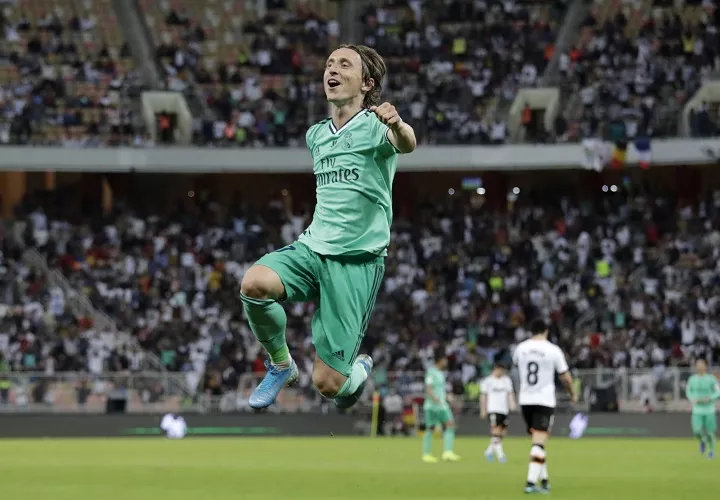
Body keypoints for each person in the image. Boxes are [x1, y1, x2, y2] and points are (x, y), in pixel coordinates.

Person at [240, 44, 416, 410]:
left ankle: (359, 371)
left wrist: (397, 124)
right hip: (313, 248)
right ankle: (281, 364)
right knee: (254, 283)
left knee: (328, 384)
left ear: (367, 83)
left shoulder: (376, 126)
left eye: (344, 64)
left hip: (355, 262)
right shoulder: (316, 135)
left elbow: (407, 144)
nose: (332, 70)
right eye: (329, 64)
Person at [513, 319, 576, 494]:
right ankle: (531, 483)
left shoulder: (520, 348)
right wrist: (572, 393)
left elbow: (517, 367)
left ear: (530, 331)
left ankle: (545, 480)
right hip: (544, 400)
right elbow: (565, 377)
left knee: (538, 442)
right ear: (546, 331)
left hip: (525, 400)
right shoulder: (553, 350)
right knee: (539, 443)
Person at [421, 349, 461, 463]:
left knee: (431, 428)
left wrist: (447, 397)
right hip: (438, 405)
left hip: (432, 405)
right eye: (444, 360)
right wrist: (437, 399)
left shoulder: (440, 373)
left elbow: (438, 389)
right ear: (440, 360)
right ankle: (447, 452)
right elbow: (428, 388)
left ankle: (427, 454)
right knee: (449, 425)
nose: (446, 362)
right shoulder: (432, 372)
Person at [480, 361, 515, 463]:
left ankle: (488, 451)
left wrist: (512, 403)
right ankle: (501, 456)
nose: (503, 372)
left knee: (502, 433)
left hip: (504, 410)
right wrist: (483, 409)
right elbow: (483, 396)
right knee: (495, 432)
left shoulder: (506, 380)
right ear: (496, 369)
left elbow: (510, 393)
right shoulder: (487, 381)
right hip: (493, 409)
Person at [685, 358, 720, 458]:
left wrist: (710, 398)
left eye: (701, 364)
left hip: (709, 409)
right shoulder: (692, 379)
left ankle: (711, 451)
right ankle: (702, 441)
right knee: (697, 431)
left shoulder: (711, 379)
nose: (699, 366)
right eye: (697, 364)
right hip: (697, 410)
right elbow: (688, 391)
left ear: (705, 366)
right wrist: (692, 399)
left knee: (710, 432)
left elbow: (718, 392)